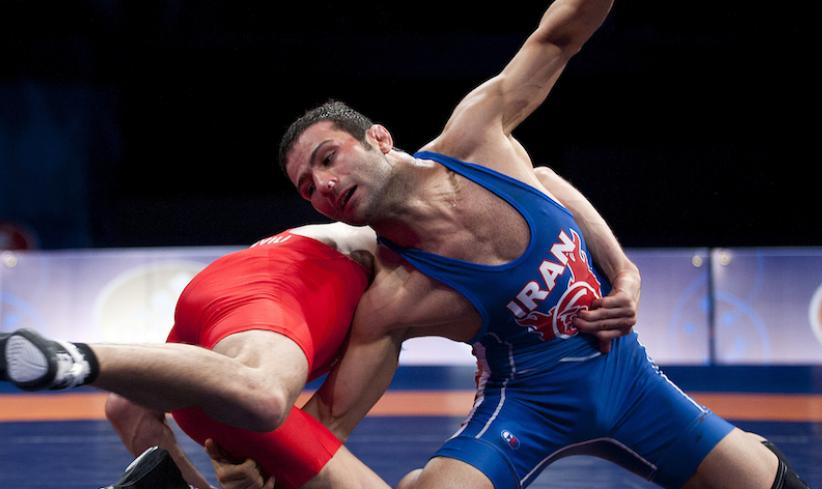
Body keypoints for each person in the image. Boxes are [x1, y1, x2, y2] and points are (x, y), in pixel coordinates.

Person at [273, 0, 807, 487]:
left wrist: (625, 273)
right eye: (306, 188)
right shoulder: (395, 298)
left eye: (327, 158)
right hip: (524, 410)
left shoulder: (478, 138)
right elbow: (331, 420)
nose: (322, 185)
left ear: (379, 138)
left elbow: (560, 39)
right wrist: (258, 457)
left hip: (630, 381)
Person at [0, 165, 637, 489]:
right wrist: (623, 275)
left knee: (177, 400)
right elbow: (543, 178)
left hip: (224, 298)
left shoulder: (406, 284)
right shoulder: (413, 239)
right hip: (275, 296)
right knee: (263, 397)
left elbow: (542, 181)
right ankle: (74, 356)